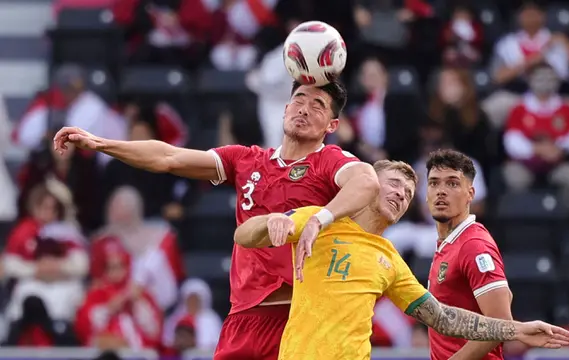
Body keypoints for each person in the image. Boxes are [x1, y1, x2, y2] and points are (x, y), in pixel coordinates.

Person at [53, 80, 380, 360]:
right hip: (242, 318)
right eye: (299, 99)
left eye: (319, 104)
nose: (305, 109)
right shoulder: (247, 159)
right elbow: (169, 157)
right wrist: (102, 144)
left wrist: (320, 218)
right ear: (284, 108)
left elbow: (366, 180)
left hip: (296, 314)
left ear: (331, 126)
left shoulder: (329, 161)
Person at [234, 160, 569, 359]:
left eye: (408, 194)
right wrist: (270, 221)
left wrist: (517, 329)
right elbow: (244, 235)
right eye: (393, 185)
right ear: (367, 186)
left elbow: (443, 318)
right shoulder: (319, 221)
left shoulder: (390, 260)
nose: (401, 194)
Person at [426, 149, 512, 360]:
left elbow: (502, 321)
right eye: (434, 183)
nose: (441, 191)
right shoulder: (448, 243)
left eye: (453, 183)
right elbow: (506, 296)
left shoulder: (473, 245)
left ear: (471, 194)